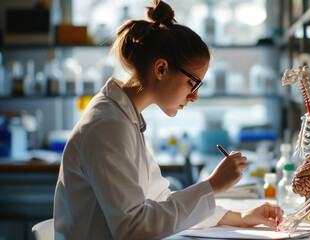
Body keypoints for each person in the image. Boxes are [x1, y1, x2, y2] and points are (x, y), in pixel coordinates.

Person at [53, 1, 283, 239]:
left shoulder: (125, 118)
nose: (194, 97)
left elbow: (159, 200)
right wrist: (212, 186)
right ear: (161, 69)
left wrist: (240, 217)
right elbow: (133, 229)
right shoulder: (107, 126)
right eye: (192, 84)